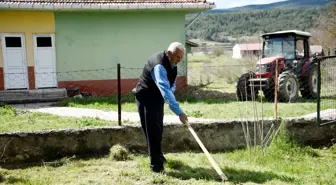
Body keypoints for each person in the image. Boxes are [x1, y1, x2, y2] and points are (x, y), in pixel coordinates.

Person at [133, 42, 188, 173]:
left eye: (181, 58)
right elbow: (165, 90)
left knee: (158, 130)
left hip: (157, 98)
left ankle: (158, 156)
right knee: (152, 132)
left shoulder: (172, 63)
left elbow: (171, 85)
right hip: (146, 97)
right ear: (169, 54)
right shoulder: (159, 66)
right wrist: (179, 112)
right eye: (178, 57)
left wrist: (170, 93)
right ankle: (156, 167)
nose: (180, 60)